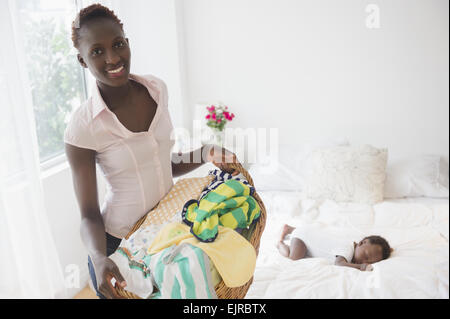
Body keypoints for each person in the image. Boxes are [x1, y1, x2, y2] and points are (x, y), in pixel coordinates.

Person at [65, 4, 239, 299]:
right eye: (97, 51)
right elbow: (89, 215)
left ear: (127, 43)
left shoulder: (157, 90)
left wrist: (206, 150)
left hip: (165, 232)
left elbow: (162, 164)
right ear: (82, 60)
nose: (113, 58)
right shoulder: (82, 127)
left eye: (118, 44)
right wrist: (98, 259)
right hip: (117, 246)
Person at [277, 224, 393, 271]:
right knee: (293, 258)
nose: (364, 261)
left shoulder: (350, 245)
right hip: (301, 239)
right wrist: (361, 267)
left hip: (306, 231)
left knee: (303, 234)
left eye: (369, 261)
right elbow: (339, 264)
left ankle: (291, 230)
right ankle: (280, 244)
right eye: (366, 256)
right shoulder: (347, 250)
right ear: (362, 242)